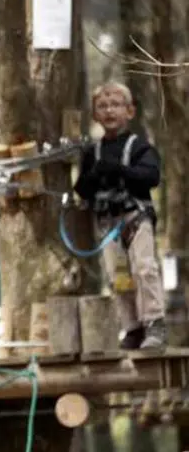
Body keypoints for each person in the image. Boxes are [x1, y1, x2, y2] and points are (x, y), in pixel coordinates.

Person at [73, 80, 166, 349]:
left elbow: (152, 176)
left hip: (135, 217)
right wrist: (94, 174)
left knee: (145, 268)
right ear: (95, 115)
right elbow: (82, 188)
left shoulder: (139, 147)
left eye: (115, 105)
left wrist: (120, 171)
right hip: (107, 223)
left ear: (129, 111)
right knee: (117, 277)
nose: (109, 111)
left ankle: (154, 323)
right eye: (102, 106)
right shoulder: (93, 152)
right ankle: (132, 327)